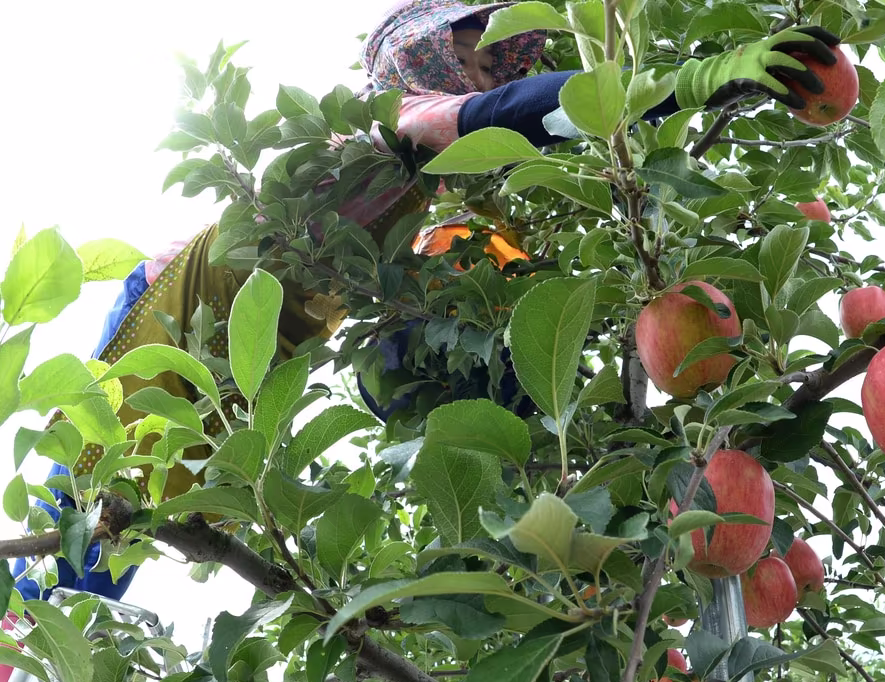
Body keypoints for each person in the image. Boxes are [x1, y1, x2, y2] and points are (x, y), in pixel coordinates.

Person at [9, 0, 840, 604]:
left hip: (245, 372)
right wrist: (688, 80)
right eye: (478, 58)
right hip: (173, 315)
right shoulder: (374, 131)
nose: (489, 74)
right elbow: (519, 114)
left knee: (127, 535)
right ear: (427, 55)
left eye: (494, 64)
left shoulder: (431, 208)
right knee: (84, 510)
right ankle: (22, 681)